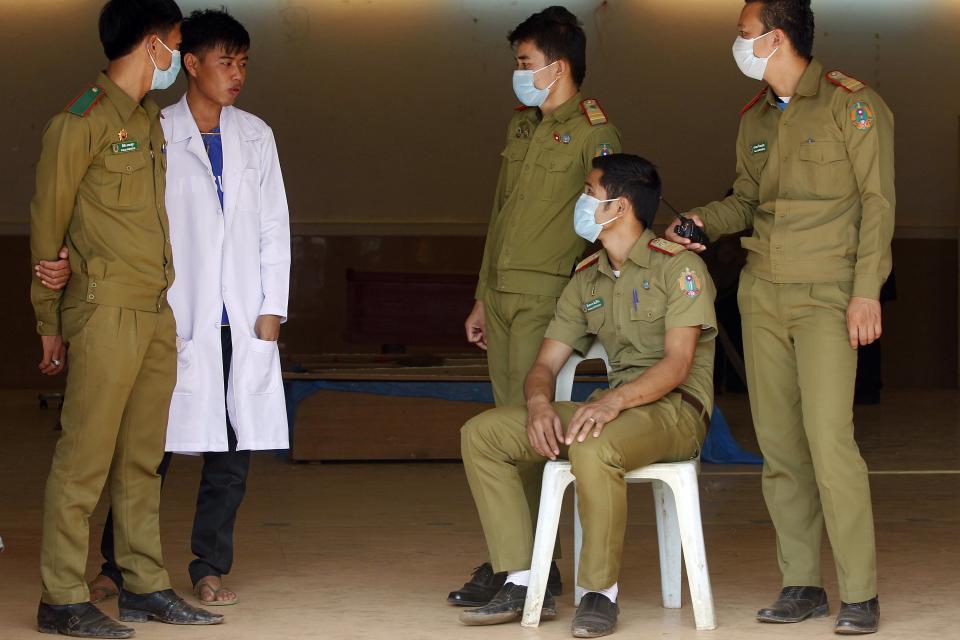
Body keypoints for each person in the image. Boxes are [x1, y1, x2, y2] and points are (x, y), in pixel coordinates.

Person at [37, 8, 291, 609]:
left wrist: (270, 310)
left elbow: (273, 226)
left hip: (211, 313)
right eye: (221, 60)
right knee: (126, 454)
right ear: (184, 59)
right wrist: (59, 281)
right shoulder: (131, 125)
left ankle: (183, 571)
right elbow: (82, 215)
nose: (236, 74)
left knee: (203, 454)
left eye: (244, 63)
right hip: (148, 311)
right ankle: (99, 578)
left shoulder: (242, 133)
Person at [664, 0, 893, 634]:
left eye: (744, 34)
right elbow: (746, 200)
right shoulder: (755, 118)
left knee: (830, 442)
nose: (736, 45)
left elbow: (877, 204)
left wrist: (866, 290)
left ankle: (861, 593)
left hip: (828, 293)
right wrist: (703, 222)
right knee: (781, 448)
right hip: (762, 293)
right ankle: (802, 584)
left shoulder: (854, 104)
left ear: (779, 36)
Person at [459, 153, 716, 637]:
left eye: (589, 194)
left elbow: (678, 364)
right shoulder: (587, 276)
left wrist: (612, 402)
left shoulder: (678, 269)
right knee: (483, 435)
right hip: (614, 407)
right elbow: (546, 363)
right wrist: (538, 403)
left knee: (594, 443)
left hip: (675, 411)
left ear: (619, 207)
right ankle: (521, 576)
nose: (579, 202)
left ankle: (600, 593)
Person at [28, 0, 222, 636]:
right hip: (104, 308)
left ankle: (144, 584)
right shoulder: (78, 120)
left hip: (152, 308)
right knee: (84, 457)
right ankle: (62, 596)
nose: (174, 56)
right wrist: (47, 320)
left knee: (143, 460)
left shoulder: (147, 118)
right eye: (173, 42)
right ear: (152, 45)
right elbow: (46, 227)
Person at [452, 5, 622, 607]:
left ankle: (531, 570)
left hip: (545, 297)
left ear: (558, 66)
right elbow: (499, 216)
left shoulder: (595, 132)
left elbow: (605, 228)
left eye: (525, 63)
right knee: (509, 423)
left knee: (527, 431)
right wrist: (480, 294)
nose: (518, 73)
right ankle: (517, 560)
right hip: (500, 294)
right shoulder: (521, 127)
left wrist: (575, 305)